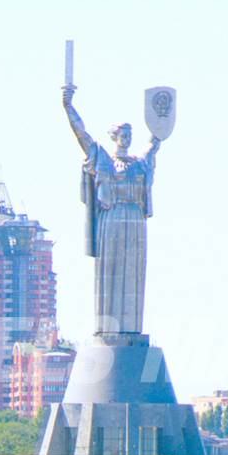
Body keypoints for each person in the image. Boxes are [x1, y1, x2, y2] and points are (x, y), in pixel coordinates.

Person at [62, 85, 161, 334]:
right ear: (114, 136)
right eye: (122, 134)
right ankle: (108, 329)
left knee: (133, 274)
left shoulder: (140, 164)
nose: (126, 138)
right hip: (113, 218)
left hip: (135, 221)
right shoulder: (104, 160)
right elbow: (81, 135)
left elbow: (157, 138)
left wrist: (160, 118)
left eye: (129, 134)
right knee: (111, 272)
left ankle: (130, 328)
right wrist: (68, 106)